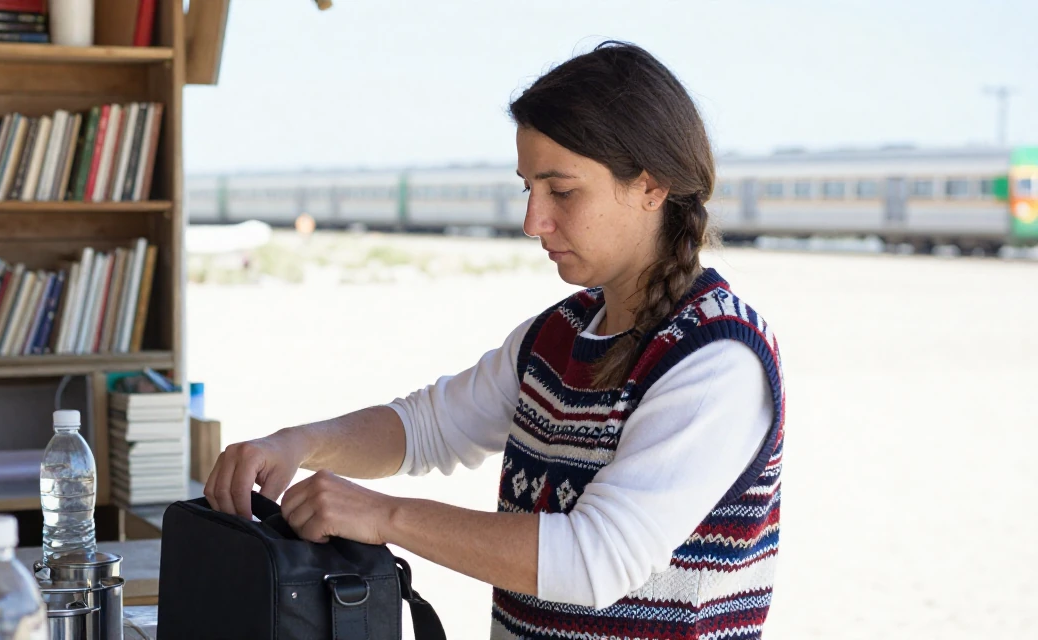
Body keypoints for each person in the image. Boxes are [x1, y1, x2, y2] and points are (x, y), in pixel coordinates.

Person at [205, 40, 784, 639]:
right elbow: (428, 427)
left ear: (650, 186)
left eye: (561, 191)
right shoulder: (556, 335)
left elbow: (597, 558)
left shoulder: (717, 357)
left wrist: (383, 516)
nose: (534, 221)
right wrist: (299, 443)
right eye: (527, 188)